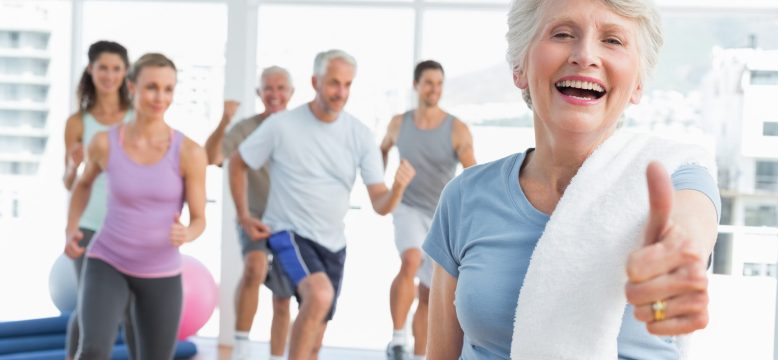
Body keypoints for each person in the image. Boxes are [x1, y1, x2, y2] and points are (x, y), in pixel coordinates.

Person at [424, 0, 721, 359]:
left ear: (639, 83)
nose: (585, 55)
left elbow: (690, 227)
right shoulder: (465, 196)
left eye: (612, 40)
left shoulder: (674, 176)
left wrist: (675, 269)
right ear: (519, 67)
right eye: (562, 34)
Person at [229, 49, 415, 360]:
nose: (340, 92)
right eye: (333, 83)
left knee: (314, 340)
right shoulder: (282, 125)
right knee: (319, 295)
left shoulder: (360, 135)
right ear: (315, 81)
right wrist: (244, 216)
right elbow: (237, 163)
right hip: (287, 232)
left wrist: (397, 188)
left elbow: (380, 204)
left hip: (333, 243)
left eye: (347, 84)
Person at [65, 53, 207, 359]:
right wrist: (71, 227)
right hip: (108, 260)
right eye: (152, 87)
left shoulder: (190, 152)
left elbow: (199, 219)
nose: (160, 97)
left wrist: (188, 233)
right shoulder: (105, 142)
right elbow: (84, 184)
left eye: (168, 89)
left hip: (161, 271)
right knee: (91, 349)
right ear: (132, 87)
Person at [379, 60, 475, 360]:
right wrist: (383, 186)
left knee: (428, 293)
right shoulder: (399, 123)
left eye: (439, 83)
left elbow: (473, 174)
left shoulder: (456, 128)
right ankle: (397, 340)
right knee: (410, 259)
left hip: (439, 214)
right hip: (407, 207)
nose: (434, 89)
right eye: (428, 82)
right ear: (416, 85)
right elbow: (381, 149)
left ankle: (420, 355)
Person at [203, 66, 296, 360]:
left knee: (283, 298)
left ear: (291, 93)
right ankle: (240, 348)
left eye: (281, 88)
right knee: (255, 267)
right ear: (259, 93)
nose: (275, 94)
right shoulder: (244, 129)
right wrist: (225, 119)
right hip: (253, 214)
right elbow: (212, 157)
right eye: (268, 88)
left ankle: (277, 356)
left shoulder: (302, 128)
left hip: (291, 221)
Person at [61, 40, 136, 360]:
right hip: (90, 225)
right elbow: (69, 183)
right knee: (88, 305)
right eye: (103, 67)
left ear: (125, 74)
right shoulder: (78, 122)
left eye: (116, 68)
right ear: (90, 70)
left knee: (133, 306)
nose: (109, 75)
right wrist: (73, 165)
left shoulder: (138, 117)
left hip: (132, 226)